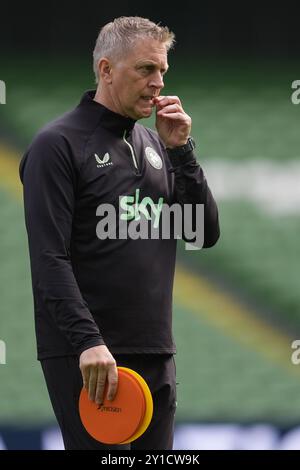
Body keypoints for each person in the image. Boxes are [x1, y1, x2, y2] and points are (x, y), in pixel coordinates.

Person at [19, 16, 220, 450]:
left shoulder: (154, 144)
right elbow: (48, 257)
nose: (158, 82)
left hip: (155, 350)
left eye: (162, 70)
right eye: (146, 69)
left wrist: (182, 152)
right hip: (91, 356)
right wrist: (87, 342)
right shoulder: (58, 144)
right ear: (107, 70)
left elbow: (203, 233)